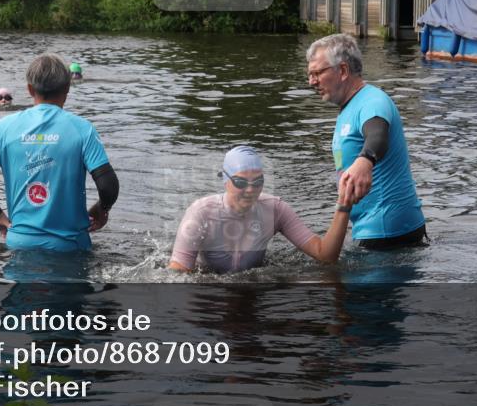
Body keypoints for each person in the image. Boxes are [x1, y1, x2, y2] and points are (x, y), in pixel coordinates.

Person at [0, 53, 119, 252]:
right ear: (67, 88)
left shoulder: (4, 128)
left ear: (30, 89)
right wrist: (101, 209)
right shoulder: (82, 129)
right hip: (70, 247)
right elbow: (108, 186)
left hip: (20, 244)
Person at [306, 34, 426, 248]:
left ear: (342, 71)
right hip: (374, 229)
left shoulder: (372, 101)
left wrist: (365, 160)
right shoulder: (350, 107)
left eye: (317, 73)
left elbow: (378, 135)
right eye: (310, 74)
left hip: (387, 234)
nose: (312, 81)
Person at [168, 146, 353, 273]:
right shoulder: (201, 213)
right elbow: (178, 274)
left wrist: (344, 205)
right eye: (240, 182)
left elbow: (326, 255)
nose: (250, 190)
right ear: (225, 181)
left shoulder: (275, 210)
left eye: (258, 182)